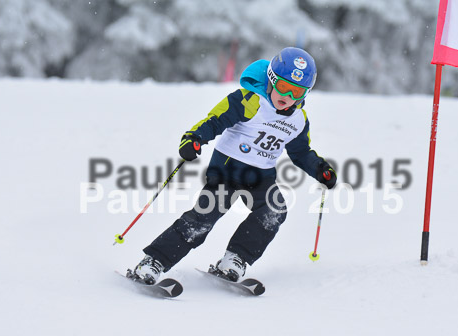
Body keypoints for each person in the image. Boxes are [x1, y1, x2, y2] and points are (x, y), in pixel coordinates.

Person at [132, 47, 336, 284]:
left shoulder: (298, 120)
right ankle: (153, 261)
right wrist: (194, 139)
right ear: (271, 80)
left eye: (297, 91)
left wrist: (320, 169)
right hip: (226, 172)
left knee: (274, 210)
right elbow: (214, 120)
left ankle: (235, 258)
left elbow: (301, 152)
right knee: (202, 220)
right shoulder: (248, 101)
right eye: (283, 87)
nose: (288, 96)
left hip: (262, 178)